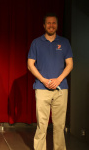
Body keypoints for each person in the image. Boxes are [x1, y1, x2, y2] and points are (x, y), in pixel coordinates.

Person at [27, 13, 73, 150]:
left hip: (61, 89)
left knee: (59, 125)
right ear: (44, 25)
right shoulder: (36, 42)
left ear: (57, 25)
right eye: (48, 23)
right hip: (42, 88)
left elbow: (70, 64)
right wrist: (44, 80)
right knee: (42, 124)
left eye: (54, 23)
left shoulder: (64, 42)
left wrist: (58, 80)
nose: (51, 25)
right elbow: (30, 64)